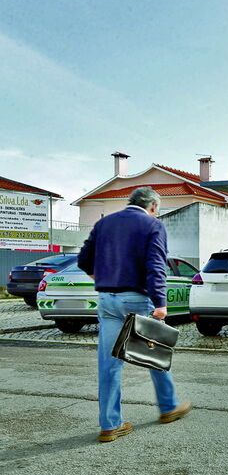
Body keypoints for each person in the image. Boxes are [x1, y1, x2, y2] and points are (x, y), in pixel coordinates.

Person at [78, 186, 191, 442]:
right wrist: (160, 302)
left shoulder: (104, 223)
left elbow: (84, 259)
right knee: (154, 355)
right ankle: (169, 407)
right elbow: (155, 266)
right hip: (136, 300)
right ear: (153, 207)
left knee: (109, 365)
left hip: (107, 300)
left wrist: (101, 278)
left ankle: (109, 425)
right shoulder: (153, 225)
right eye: (157, 210)